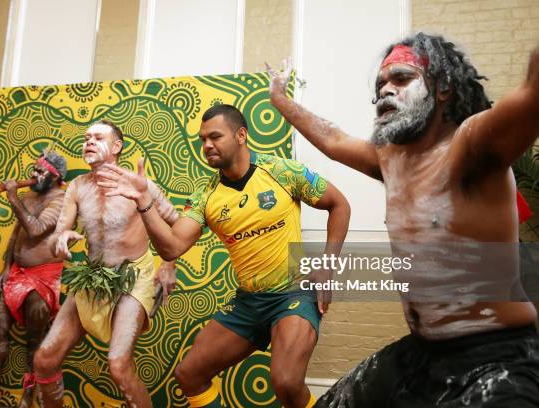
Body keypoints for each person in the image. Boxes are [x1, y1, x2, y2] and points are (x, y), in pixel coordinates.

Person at [267, 33, 539, 407]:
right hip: (424, 354)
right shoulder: (391, 159)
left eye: (400, 78)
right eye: (380, 85)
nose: (385, 91)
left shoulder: (471, 145)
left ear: (442, 89)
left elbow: (532, 97)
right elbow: (331, 138)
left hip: (496, 356)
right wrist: (278, 99)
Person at [95, 104, 351, 408]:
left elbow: (339, 205)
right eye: (202, 139)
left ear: (241, 135)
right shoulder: (206, 195)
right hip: (248, 301)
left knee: (286, 382)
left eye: (215, 137)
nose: (207, 146)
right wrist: (143, 202)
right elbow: (173, 246)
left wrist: (327, 266)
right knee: (189, 374)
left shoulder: (281, 171)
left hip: (292, 294)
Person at [32, 119, 179, 408]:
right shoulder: (76, 187)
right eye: (87, 138)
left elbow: (177, 226)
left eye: (98, 138)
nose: (89, 142)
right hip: (92, 278)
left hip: (133, 278)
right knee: (44, 360)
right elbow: (57, 236)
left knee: (118, 365)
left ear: (116, 146)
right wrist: (60, 241)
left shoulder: (140, 184)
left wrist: (168, 264)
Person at [0, 150, 68, 408]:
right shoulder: (29, 195)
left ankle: (28, 396)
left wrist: (12, 197)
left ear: (55, 176)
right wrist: (6, 266)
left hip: (43, 278)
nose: (34, 175)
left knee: (34, 340)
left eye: (40, 171)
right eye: (34, 170)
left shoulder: (62, 200)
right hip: (17, 273)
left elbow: (35, 229)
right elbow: (17, 234)